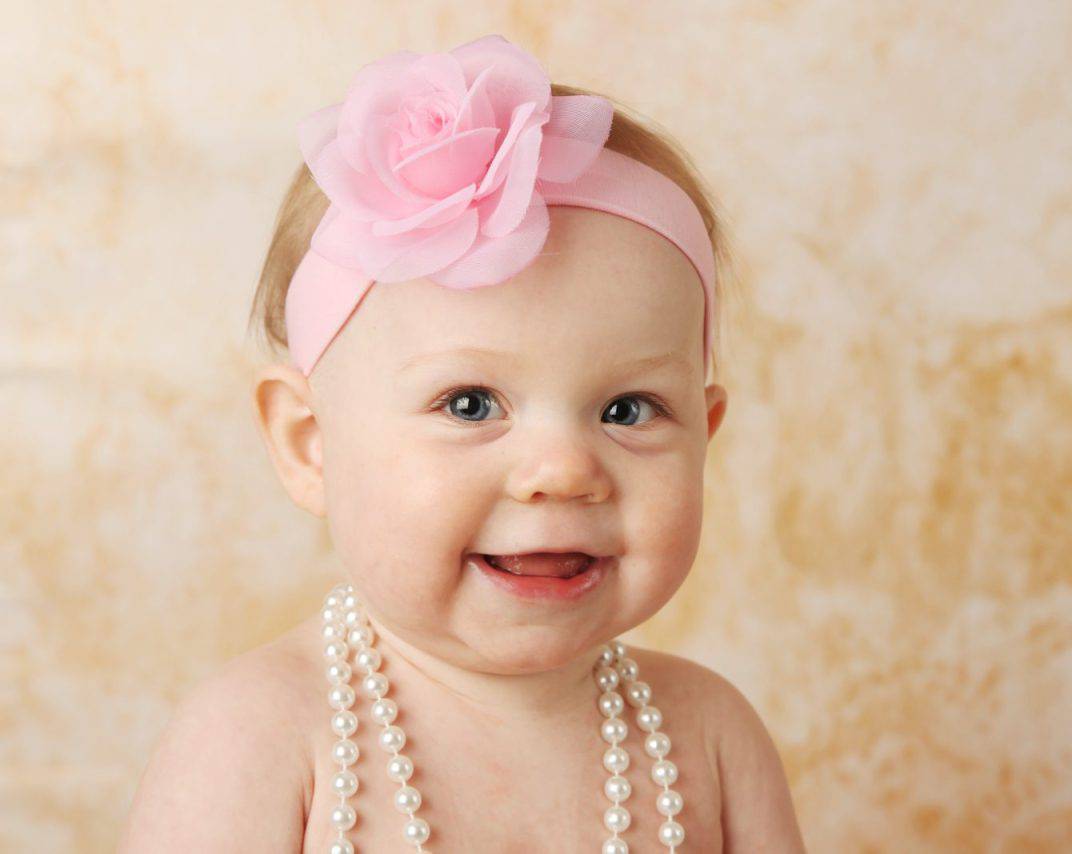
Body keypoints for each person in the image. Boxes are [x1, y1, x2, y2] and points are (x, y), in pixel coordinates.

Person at [119, 33, 806, 853]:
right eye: (472, 403)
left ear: (704, 436)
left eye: (628, 410)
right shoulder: (261, 740)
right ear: (312, 445)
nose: (562, 472)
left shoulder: (710, 738)